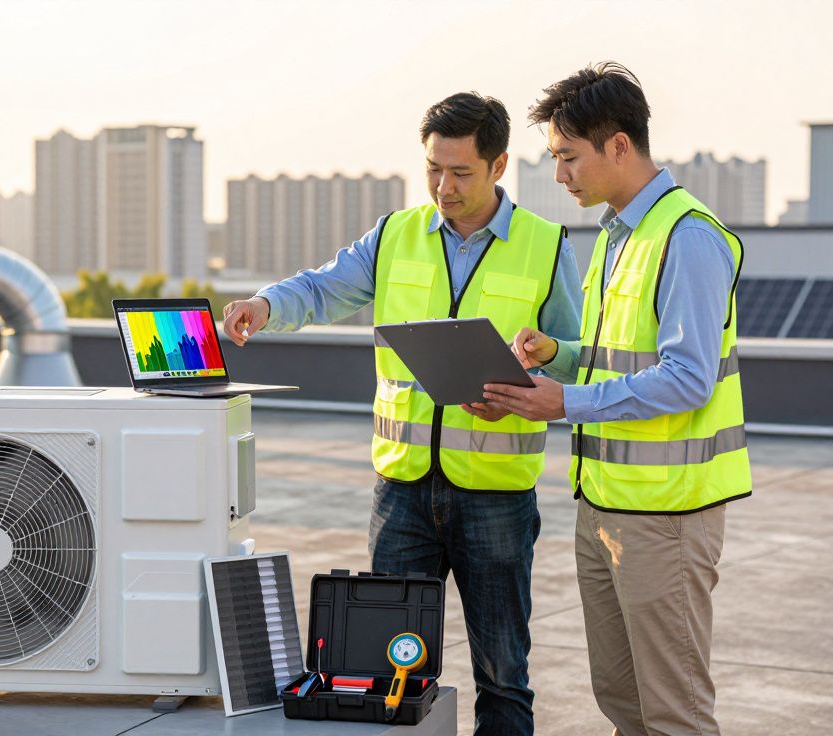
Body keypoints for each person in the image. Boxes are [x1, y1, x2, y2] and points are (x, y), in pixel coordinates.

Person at [221, 92, 581, 735]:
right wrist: (265, 305)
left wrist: (526, 384)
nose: (443, 187)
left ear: (499, 165)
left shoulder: (547, 247)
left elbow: (573, 363)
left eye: (461, 172)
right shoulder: (394, 235)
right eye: (433, 169)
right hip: (402, 493)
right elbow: (321, 289)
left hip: (495, 496)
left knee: (503, 677)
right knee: (385, 675)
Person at [480, 62, 751, 736]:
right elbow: (616, 361)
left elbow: (687, 376)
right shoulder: (616, 234)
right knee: (622, 701)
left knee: (674, 712)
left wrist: (564, 401)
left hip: (666, 518)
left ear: (620, 146)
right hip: (604, 504)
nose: (559, 173)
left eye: (568, 157)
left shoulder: (686, 238)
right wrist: (558, 356)